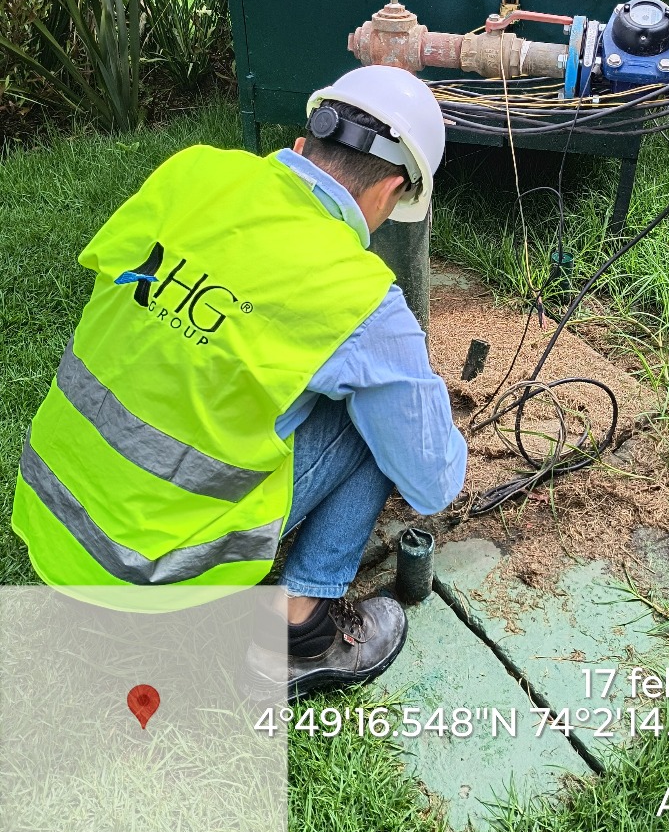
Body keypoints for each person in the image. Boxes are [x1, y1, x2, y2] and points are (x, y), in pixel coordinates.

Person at [11, 65, 468, 700]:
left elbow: (125, 283)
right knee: (380, 422)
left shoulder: (191, 171)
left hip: (54, 517)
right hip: (150, 571)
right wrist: (427, 407)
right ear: (390, 191)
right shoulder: (356, 297)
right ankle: (299, 633)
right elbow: (431, 479)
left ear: (304, 142)